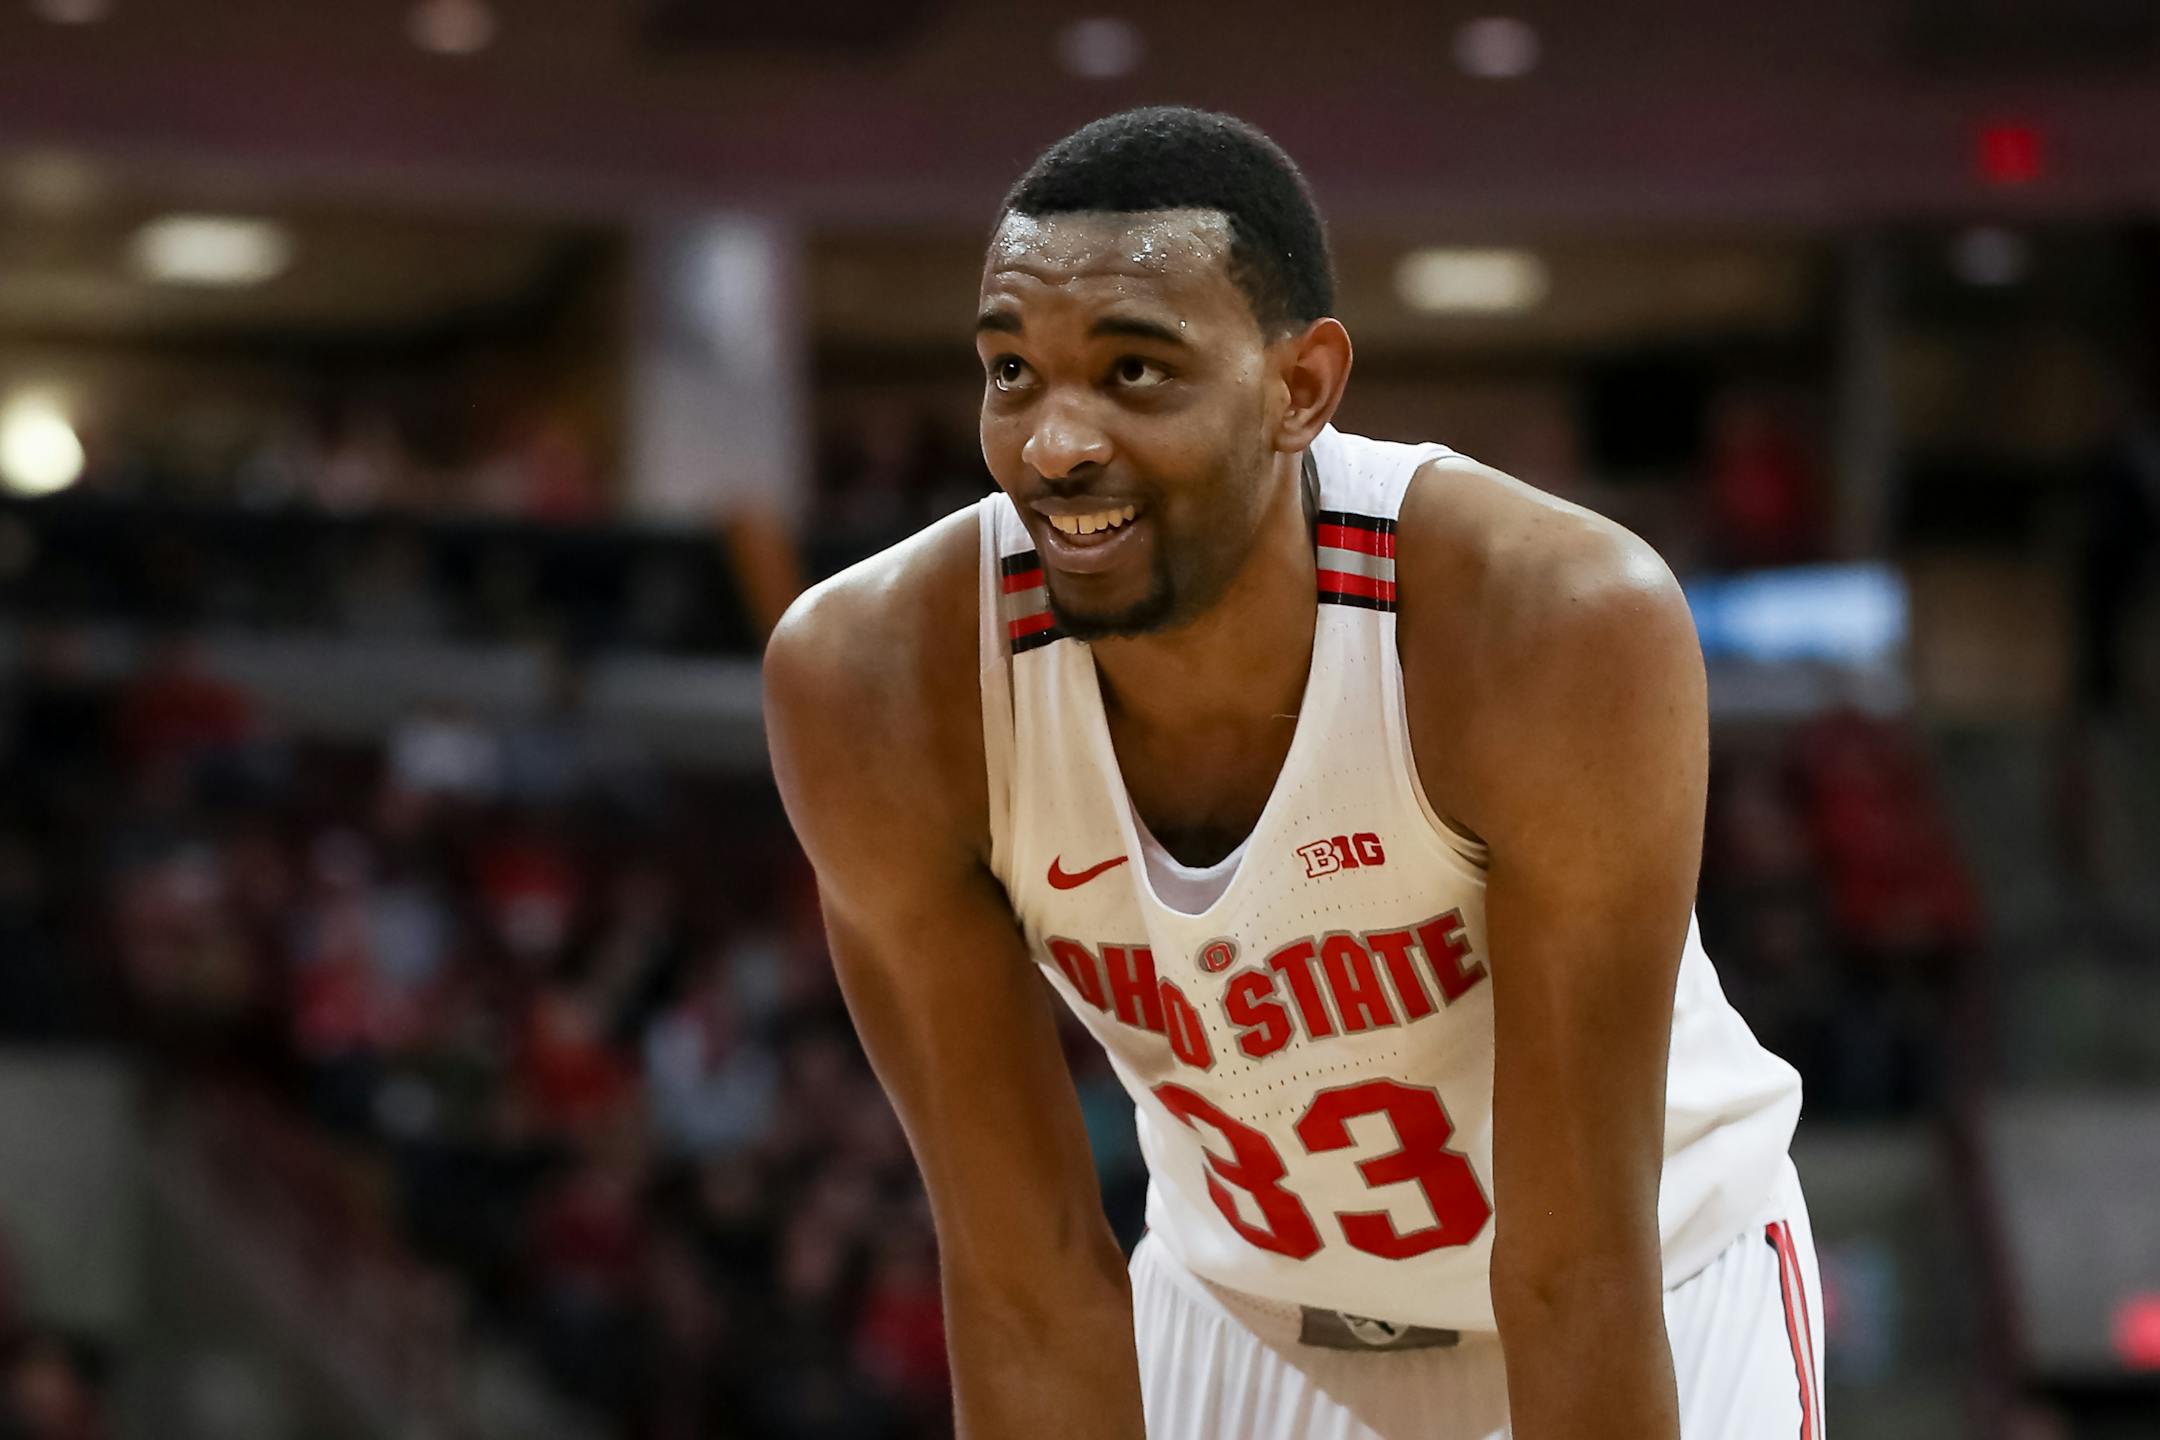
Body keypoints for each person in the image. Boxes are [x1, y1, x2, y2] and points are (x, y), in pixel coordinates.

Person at [764, 106, 1820, 1440]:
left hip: (1654, 1283)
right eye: (1013, 372)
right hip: (1248, 1314)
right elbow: (1026, 1283)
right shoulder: (876, 683)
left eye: (1136, 372)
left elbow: (1572, 1278)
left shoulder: (1545, 623)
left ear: (1300, 387)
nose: (1055, 442)